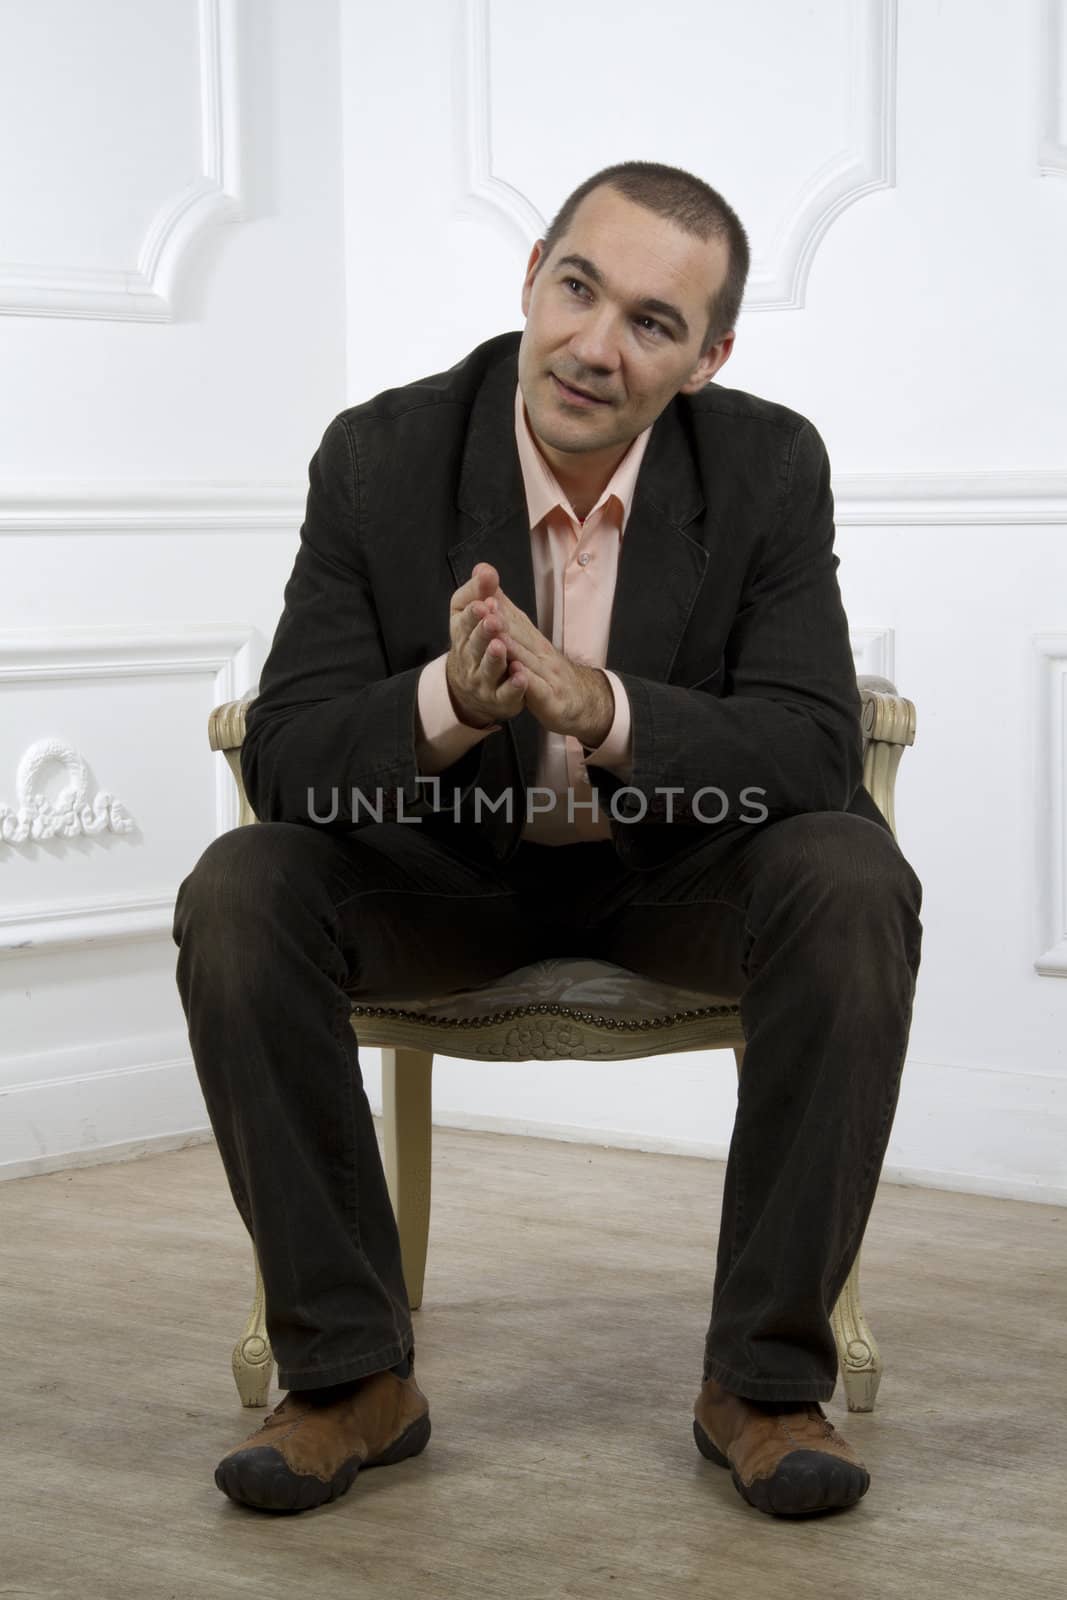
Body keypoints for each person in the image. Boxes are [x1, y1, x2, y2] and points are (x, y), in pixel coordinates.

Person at [172, 159, 923, 1520]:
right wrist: (452, 705)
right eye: (578, 288)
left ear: (707, 357)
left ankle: (761, 1385)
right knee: (241, 889)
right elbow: (288, 753)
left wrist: (610, 709)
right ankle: (349, 1376)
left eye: (652, 321)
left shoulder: (766, 465)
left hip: (673, 874)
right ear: (532, 278)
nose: (594, 346)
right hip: (443, 875)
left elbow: (812, 746)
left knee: (852, 873)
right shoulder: (381, 455)